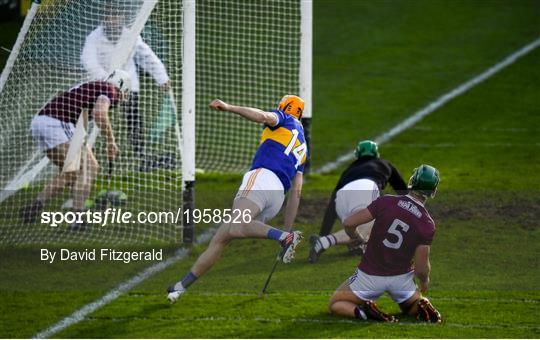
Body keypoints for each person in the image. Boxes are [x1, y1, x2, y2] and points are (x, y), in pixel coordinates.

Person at [167, 95, 308, 303]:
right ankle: (179, 287)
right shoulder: (303, 148)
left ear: (284, 108)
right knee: (221, 238)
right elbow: (296, 192)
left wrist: (228, 106)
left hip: (262, 179)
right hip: (277, 196)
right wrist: (287, 226)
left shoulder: (283, 118)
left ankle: (284, 237)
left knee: (237, 226)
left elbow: (262, 116)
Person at [328, 165, 442, 323]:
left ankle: (366, 312)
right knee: (410, 305)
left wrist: (357, 237)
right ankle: (422, 305)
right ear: (432, 191)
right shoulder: (427, 223)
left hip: (369, 275)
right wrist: (424, 281)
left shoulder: (386, 202)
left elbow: (348, 223)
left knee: (336, 303)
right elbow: (422, 268)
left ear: (412, 182)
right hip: (401, 279)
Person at [20, 70, 131, 226]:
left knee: (72, 173)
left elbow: (82, 122)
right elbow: (99, 114)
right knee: (90, 167)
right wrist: (111, 141)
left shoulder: (91, 87)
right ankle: (78, 218)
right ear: (121, 86)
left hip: (40, 122)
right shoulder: (110, 90)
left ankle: (36, 205)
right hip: (56, 123)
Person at [81, 9, 170, 168]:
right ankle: (84, 151)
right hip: (101, 85)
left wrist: (161, 77)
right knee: (92, 116)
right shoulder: (94, 37)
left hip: (128, 85)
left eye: (116, 16)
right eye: (110, 16)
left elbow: (147, 57)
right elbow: (88, 62)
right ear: (104, 18)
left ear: (122, 18)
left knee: (134, 118)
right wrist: (109, 80)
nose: (113, 20)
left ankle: (139, 154)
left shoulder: (130, 35)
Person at [308, 140, 408, 263]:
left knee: (357, 229)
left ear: (358, 154)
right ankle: (325, 242)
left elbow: (331, 205)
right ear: (376, 154)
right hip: (366, 187)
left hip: (341, 196)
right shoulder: (384, 164)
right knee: (370, 225)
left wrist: (323, 233)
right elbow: (403, 191)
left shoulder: (349, 169)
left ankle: (357, 245)